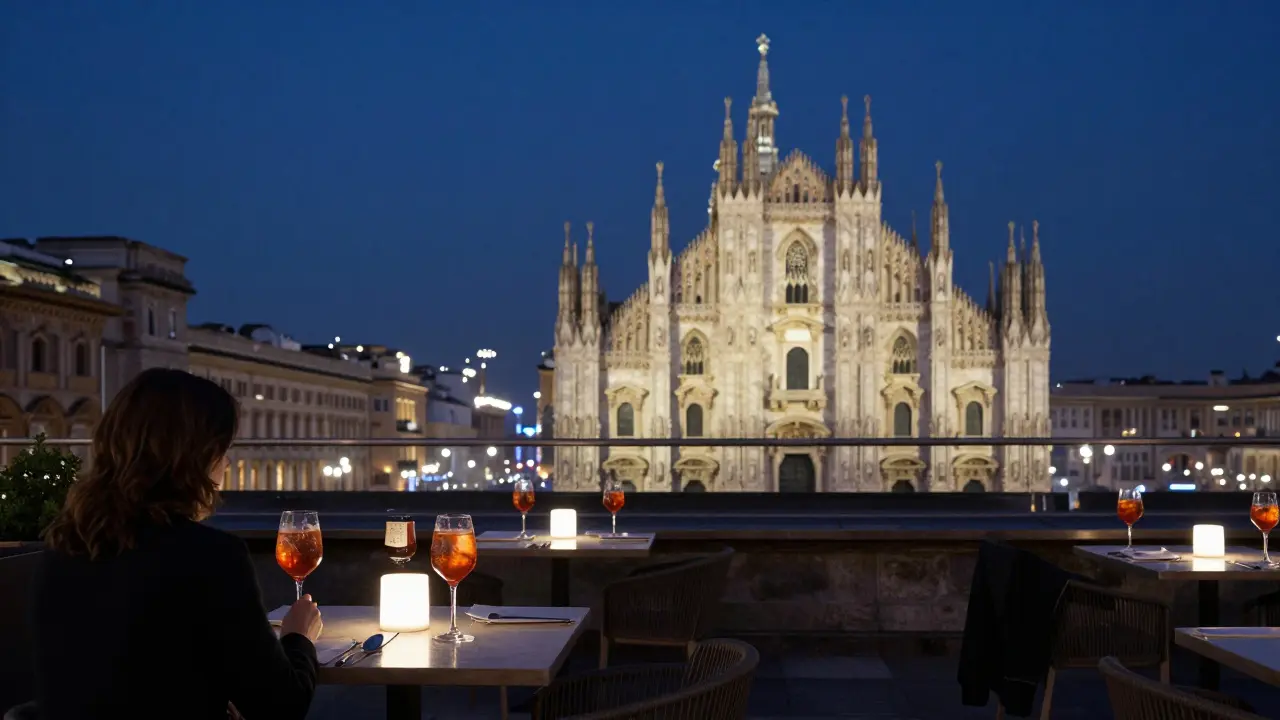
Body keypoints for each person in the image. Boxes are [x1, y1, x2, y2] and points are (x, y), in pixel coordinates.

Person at [32, 368, 323, 720]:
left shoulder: (64, 544)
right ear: (196, 457)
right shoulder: (212, 557)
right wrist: (298, 638)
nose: (227, 463)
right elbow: (282, 706)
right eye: (222, 450)